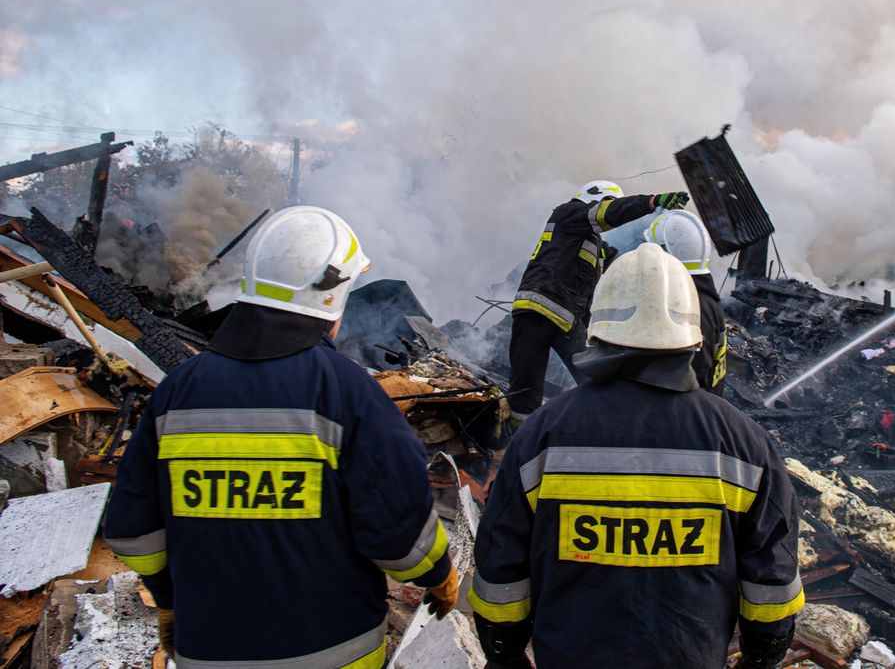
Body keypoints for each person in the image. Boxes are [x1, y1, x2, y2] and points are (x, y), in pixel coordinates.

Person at [103, 206, 456, 666]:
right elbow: (396, 528)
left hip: (207, 650)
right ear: (332, 297)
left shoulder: (178, 391)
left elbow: (132, 530)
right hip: (333, 649)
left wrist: (168, 598)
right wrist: (438, 573)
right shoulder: (346, 391)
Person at [470, 243, 803, 669]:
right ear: (692, 338)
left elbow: (501, 566)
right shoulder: (741, 441)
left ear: (598, 328)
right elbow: (771, 582)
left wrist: (507, 655)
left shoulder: (544, 432)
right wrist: (759, 659)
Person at [507, 181, 687, 425]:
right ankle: (514, 442)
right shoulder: (568, 214)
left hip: (567, 320)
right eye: (609, 205)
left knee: (594, 377)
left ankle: (598, 428)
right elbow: (608, 213)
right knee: (525, 390)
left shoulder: (596, 248)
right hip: (538, 310)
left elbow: (626, 268)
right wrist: (651, 201)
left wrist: (662, 256)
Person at [643, 209, 728, 395]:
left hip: (686, 417)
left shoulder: (689, 308)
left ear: (667, 252)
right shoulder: (706, 298)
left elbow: (691, 381)